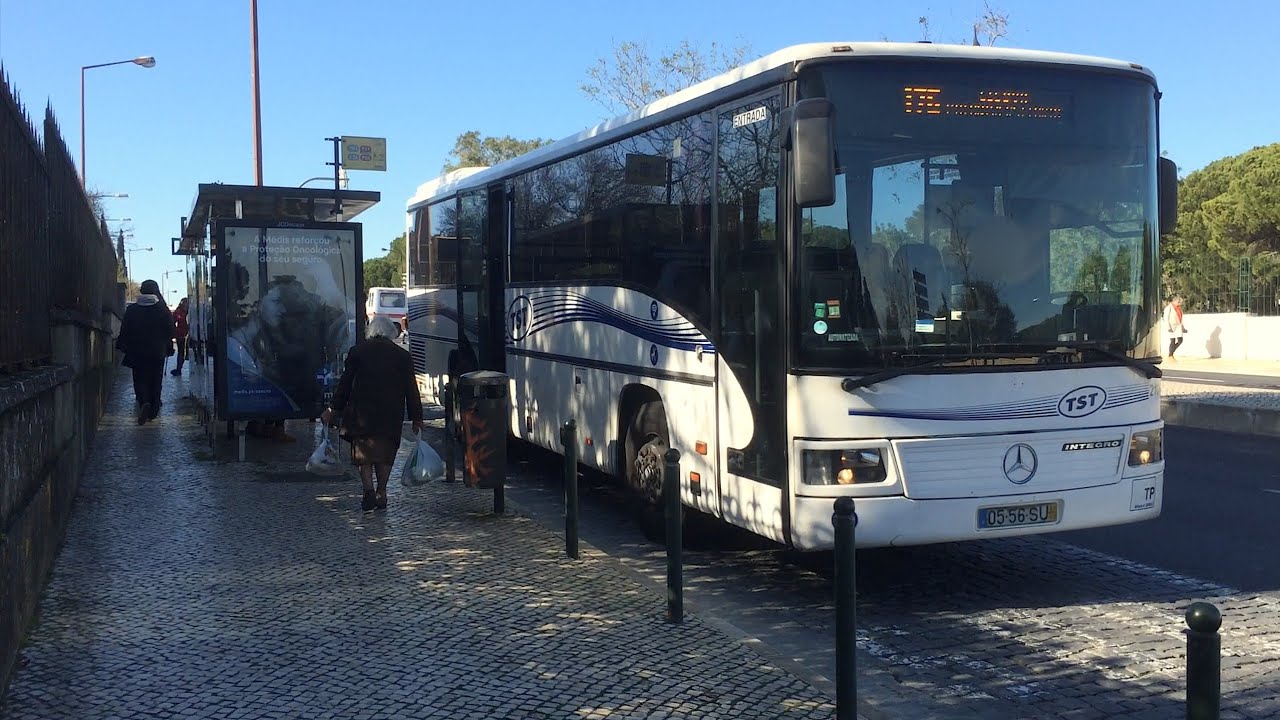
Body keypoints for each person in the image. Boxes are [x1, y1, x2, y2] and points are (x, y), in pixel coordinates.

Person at [322, 317, 424, 512]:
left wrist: (333, 408)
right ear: (390, 333)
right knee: (385, 452)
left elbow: (345, 383)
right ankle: (382, 491)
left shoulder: (358, 352)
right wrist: (416, 417)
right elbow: (412, 389)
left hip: (362, 411)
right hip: (390, 413)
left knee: (363, 452)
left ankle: (368, 489)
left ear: (371, 331)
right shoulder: (402, 356)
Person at [116, 279, 175, 424]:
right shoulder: (162, 309)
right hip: (157, 352)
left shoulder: (132, 310)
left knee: (140, 378)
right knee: (156, 379)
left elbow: (125, 330)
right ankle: (153, 409)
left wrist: (123, 345)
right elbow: (170, 330)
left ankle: (144, 402)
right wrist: (168, 346)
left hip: (137, 352)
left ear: (141, 291)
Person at [1163, 294, 1187, 361]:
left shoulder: (1179, 309)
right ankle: (1170, 355)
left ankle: (1171, 353)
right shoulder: (1168, 308)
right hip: (1172, 326)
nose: (1179, 304)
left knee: (1180, 340)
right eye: (1178, 302)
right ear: (1174, 301)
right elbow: (1166, 318)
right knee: (1172, 341)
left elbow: (1180, 318)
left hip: (1178, 326)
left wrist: (1183, 328)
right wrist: (1168, 327)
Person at [170, 297, 190, 376]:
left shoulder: (181, 311)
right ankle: (179, 369)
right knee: (181, 352)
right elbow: (172, 322)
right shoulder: (179, 311)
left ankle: (179, 369)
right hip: (181, 335)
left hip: (185, 334)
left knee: (182, 352)